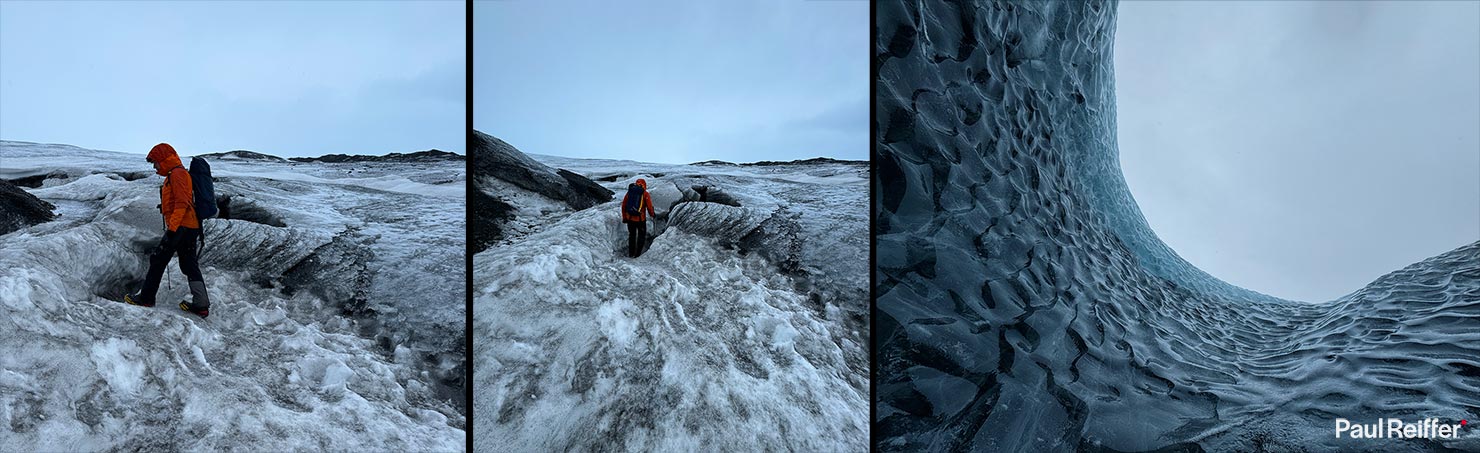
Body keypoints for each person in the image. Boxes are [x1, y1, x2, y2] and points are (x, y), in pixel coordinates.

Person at [124, 143, 212, 318]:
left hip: (181, 227)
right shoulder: (175, 174)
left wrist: (172, 229)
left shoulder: (178, 174)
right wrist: (165, 207)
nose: (155, 166)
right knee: (189, 265)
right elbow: (179, 201)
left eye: (155, 162)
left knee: (158, 260)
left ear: (164, 159)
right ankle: (201, 305)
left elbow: (182, 203)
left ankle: (146, 298)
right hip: (188, 226)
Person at [621, 178, 657, 258]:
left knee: (632, 236)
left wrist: (624, 217)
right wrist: (652, 214)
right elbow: (649, 207)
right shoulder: (645, 193)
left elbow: (624, 206)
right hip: (640, 219)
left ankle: (631, 253)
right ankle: (637, 254)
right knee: (641, 236)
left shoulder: (629, 192)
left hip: (630, 219)